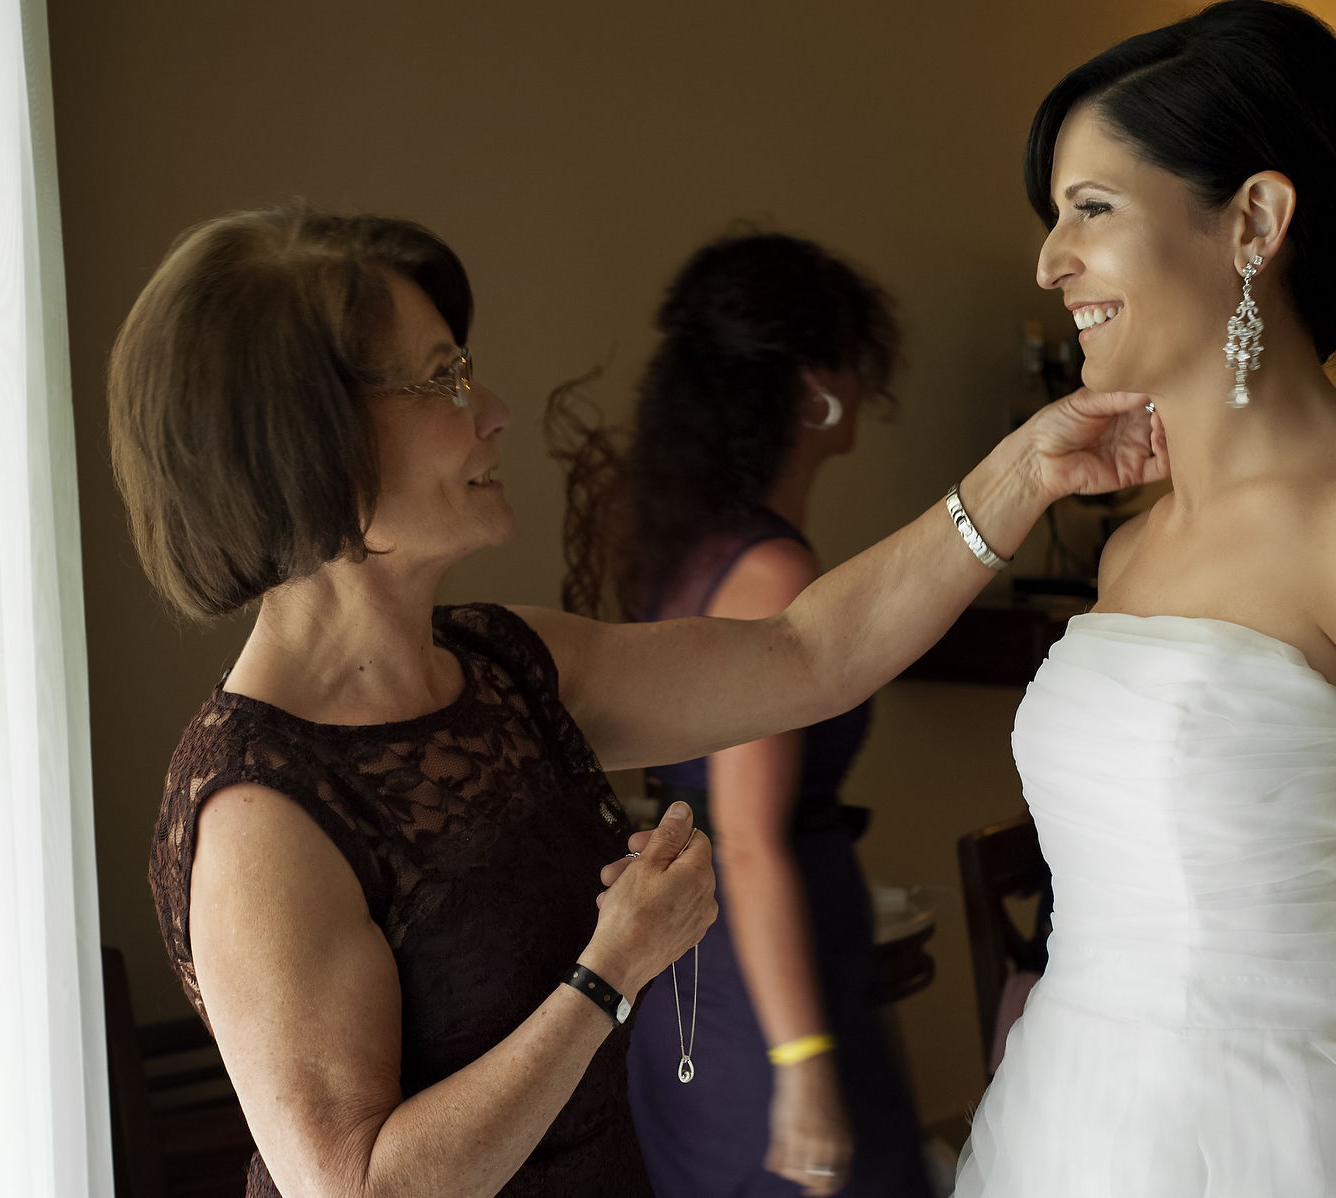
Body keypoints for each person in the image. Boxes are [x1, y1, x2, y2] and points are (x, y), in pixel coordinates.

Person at [109, 205, 1166, 1198]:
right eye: (443, 380)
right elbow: (357, 1184)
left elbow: (809, 652)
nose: (494, 411)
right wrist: (609, 969)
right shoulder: (259, 809)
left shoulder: (510, 667)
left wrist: (1028, 469)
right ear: (313, 443)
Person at [954, 4, 1336, 1197]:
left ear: (1255, 221)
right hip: (1064, 1134)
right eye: (1053, 216)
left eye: (1091, 209)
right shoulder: (1129, 555)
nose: (1048, 260)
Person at [555, 232, 930, 1196]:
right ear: (816, 387)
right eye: (852, 353)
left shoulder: (698, 549)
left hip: (709, 970)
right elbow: (751, 839)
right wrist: (802, 1064)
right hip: (755, 996)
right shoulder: (767, 574)